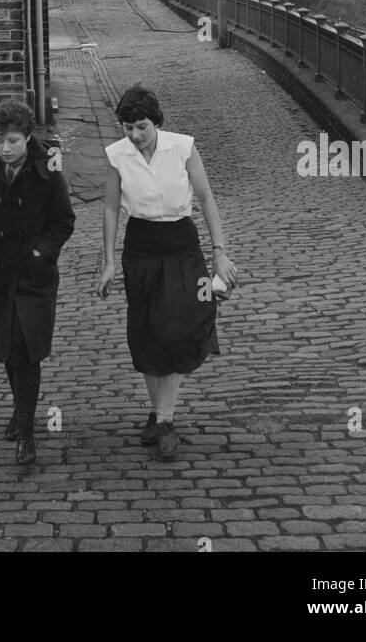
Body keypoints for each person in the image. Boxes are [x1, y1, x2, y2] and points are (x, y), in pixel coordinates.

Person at [96, 84, 239, 460]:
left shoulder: (183, 147)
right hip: (141, 248)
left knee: (181, 324)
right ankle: (161, 417)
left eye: (141, 126)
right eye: (128, 128)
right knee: (147, 331)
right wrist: (109, 261)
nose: (135, 135)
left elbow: (205, 197)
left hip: (182, 246)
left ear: (155, 121)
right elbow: (111, 208)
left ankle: (164, 418)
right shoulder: (117, 155)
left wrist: (219, 254)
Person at [0, 99, 75, 466]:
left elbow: (63, 220)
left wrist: (41, 254)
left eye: (12, 141)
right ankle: (21, 412)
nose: (5, 149)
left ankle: (26, 433)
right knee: (7, 346)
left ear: (27, 137)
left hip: (34, 277)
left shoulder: (48, 169)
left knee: (26, 348)